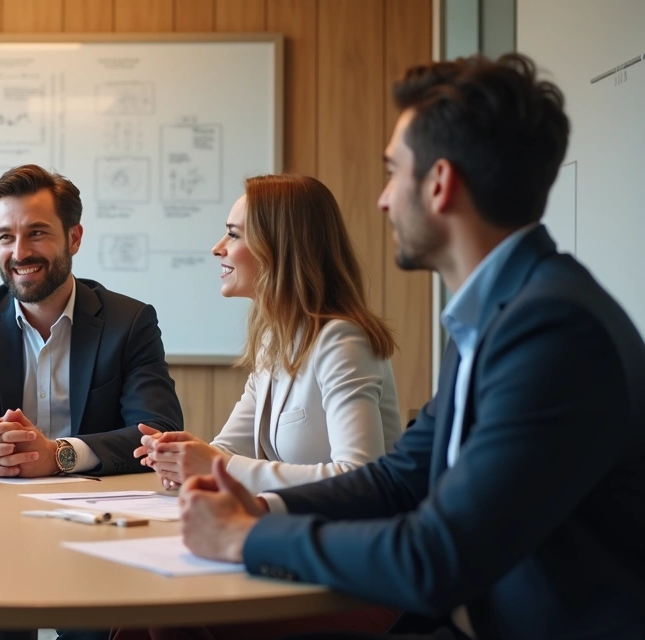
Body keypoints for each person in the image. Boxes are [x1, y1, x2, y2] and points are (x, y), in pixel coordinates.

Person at [178, 53, 645, 639]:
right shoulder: (496, 315)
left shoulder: (552, 330)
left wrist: (249, 537)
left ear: (440, 184)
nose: (382, 200)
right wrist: (263, 507)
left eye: (393, 172)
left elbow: (438, 555)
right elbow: (399, 478)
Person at [0, 164, 183, 478]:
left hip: (94, 498)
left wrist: (60, 455)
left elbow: (160, 431)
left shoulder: (128, 322)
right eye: (6, 237)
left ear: (74, 238)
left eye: (36, 233)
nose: (19, 253)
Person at [136, 174, 402, 493]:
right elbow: (228, 450)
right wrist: (182, 460)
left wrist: (215, 466)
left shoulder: (342, 340)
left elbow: (359, 477)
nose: (217, 248)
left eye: (233, 235)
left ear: (279, 247)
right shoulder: (273, 341)